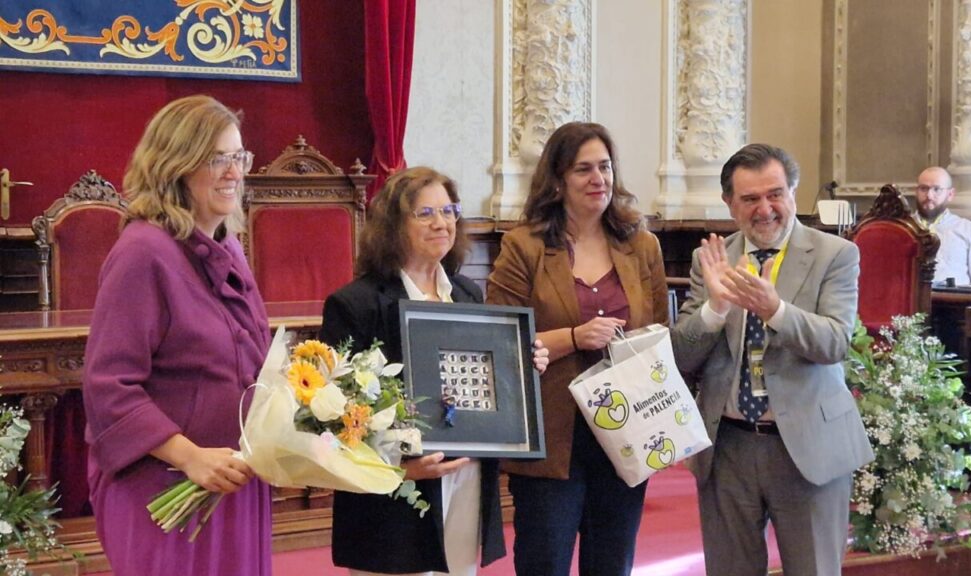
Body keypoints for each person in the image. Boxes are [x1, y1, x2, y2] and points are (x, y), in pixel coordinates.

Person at [320, 166, 549, 576]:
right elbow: (336, 421)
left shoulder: (466, 293)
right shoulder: (355, 304)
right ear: (393, 225)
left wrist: (521, 367)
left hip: (463, 477)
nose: (441, 223)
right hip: (394, 496)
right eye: (425, 213)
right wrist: (397, 468)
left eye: (448, 210)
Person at [82, 95, 271, 575]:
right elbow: (109, 386)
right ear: (175, 166)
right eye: (217, 159)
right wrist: (190, 458)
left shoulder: (229, 247)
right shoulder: (143, 252)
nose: (234, 172)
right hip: (165, 486)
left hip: (231, 480)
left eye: (239, 157)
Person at [672, 143, 874, 576]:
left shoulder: (835, 254)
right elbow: (682, 357)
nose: (765, 209)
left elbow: (836, 342)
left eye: (775, 194)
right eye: (750, 199)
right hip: (728, 446)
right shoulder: (710, 259)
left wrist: (774, 310)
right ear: (729, 203)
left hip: (807, 446)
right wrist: (716, 309)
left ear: (793, 193)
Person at [486, 121, 668, 576]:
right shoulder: (523, 246)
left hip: (626, 430)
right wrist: (573, 337)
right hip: (552, 433)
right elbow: (498, 339)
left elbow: (659, 333)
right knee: (544, 562)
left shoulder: (642, 245)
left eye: (605, 167)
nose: (598, 179)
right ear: (558, 180)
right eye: (584, 169)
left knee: (612, 563)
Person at [914, 166, 971, 285]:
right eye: (924, 189)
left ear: (950, 194)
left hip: (956, 301)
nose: (929, 196)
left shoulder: (969, 229)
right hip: (909, 300)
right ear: (916, 191)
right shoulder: (901, 228)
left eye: (937, 189)